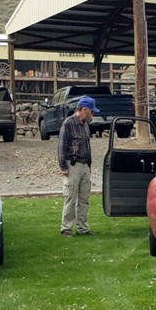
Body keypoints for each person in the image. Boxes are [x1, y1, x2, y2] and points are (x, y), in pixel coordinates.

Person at [58, 96, 100, 237]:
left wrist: (89, 165)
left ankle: (83, 227)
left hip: (84, 165)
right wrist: (63, 166)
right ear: (84, 109)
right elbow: (61, 147)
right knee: (70, 196)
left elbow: (87, 147)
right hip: (73, 165)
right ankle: (66, 228)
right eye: (91, 111)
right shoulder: (68, 124)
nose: (93, 114)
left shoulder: (85, 125)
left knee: (84, 199)